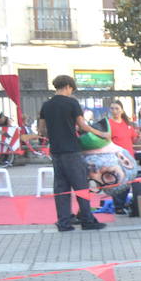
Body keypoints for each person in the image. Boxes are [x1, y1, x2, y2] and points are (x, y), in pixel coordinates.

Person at [39, 74, 107, 232]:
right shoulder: (72, 103)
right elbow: (83, 126)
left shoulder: (46, 105)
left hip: (55, 151)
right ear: (68, 86)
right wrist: (101, 134)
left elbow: (41, 130)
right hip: (72, 150)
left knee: (61, 188)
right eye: (71, 89)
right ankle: (87, 220)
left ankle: (64, 223)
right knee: (80, 186)